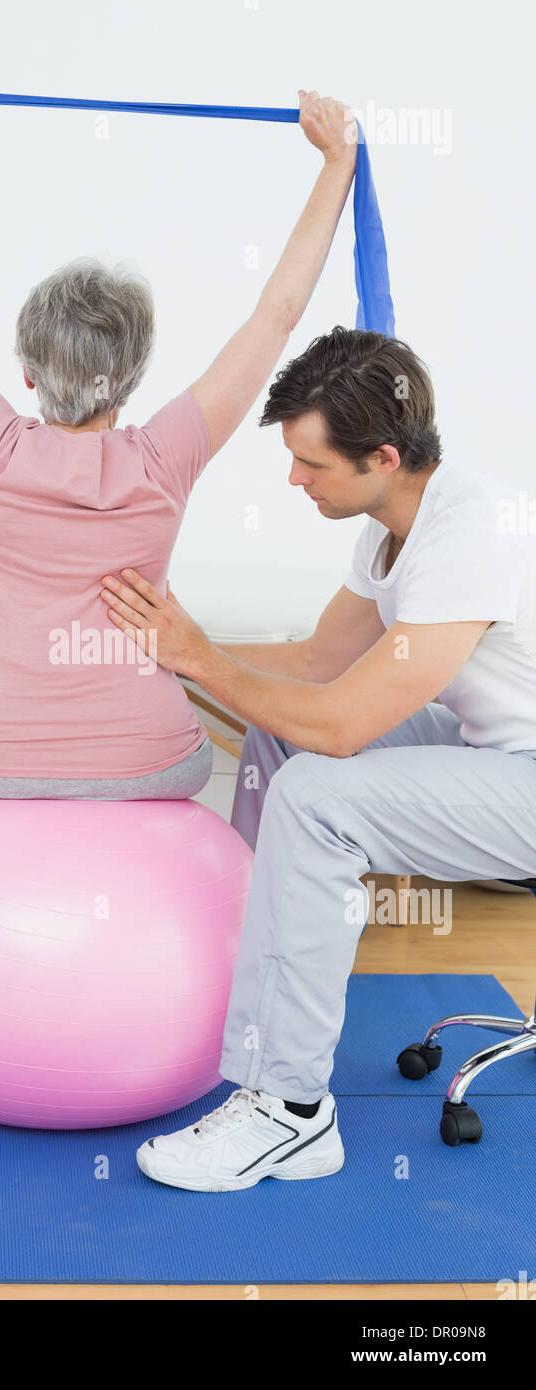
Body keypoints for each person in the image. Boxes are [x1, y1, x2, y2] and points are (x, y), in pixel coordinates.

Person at [0, 64, 357, 798]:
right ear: (135, 375)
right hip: (146, 761)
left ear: (27, 374)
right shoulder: (166, 454)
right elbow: (278, 314)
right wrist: (337, 164)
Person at [101, 326, 536, 1192]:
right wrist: (181, 643)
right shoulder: (392, 527)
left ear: (380, 456)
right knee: (280, 735)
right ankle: (251, 977)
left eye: (311, 464)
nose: (293, 479)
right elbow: (314, 668)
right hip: (502, 750)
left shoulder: (467, 534)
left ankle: (287, 1110)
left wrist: (198, 660)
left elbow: (340, 727)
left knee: (315, 792)